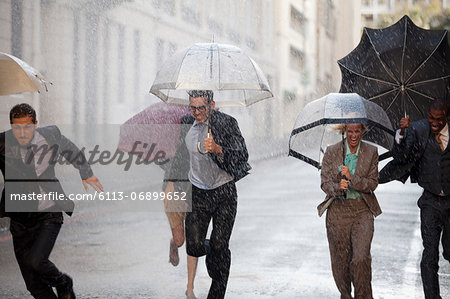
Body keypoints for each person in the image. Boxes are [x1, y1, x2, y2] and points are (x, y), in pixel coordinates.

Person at [0, 103, 103, 299]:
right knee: (33, 285)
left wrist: (86, 172)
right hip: (20, 220)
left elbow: (71, 150)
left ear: (36, 124)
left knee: (37, 261)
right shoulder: (2, 143)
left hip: (49, 213)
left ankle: (64, 282)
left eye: (27, 127)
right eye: (17, 127)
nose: (22, 132)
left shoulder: (50, 136)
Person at [165, 90, 251, 299]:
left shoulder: (227, 123)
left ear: (211, 105)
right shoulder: (187, 123)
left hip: (224, 192)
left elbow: (242, 153)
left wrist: (218, 149)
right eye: (192, 108)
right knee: (194, 246)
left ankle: (217, 289)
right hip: (199, 193)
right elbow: (180, 155)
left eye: (201, 108)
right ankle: (217, 252)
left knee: (220, 244)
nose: (196, 113)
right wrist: (170, 182)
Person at [379, 100, 450, 299]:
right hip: (429, 201)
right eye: (431, 118)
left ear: (447, 117)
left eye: (439, 120)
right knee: (429, 254)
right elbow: (402, 155)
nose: (434, 123)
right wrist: (402, 132)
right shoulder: (418, 129)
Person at [319, 123, 380, 299]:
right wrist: (339, 186)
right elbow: (325, 183)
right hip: (338, 212)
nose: (353, 135)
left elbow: (372, 183)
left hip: (362, 211)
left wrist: (353, 179)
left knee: (360, 259)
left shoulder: (371, 152)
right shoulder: (332, 151)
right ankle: (345, 295)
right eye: (350, 131)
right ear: (344, 131)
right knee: (341, 263)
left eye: (357, 131)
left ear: (363, 131)